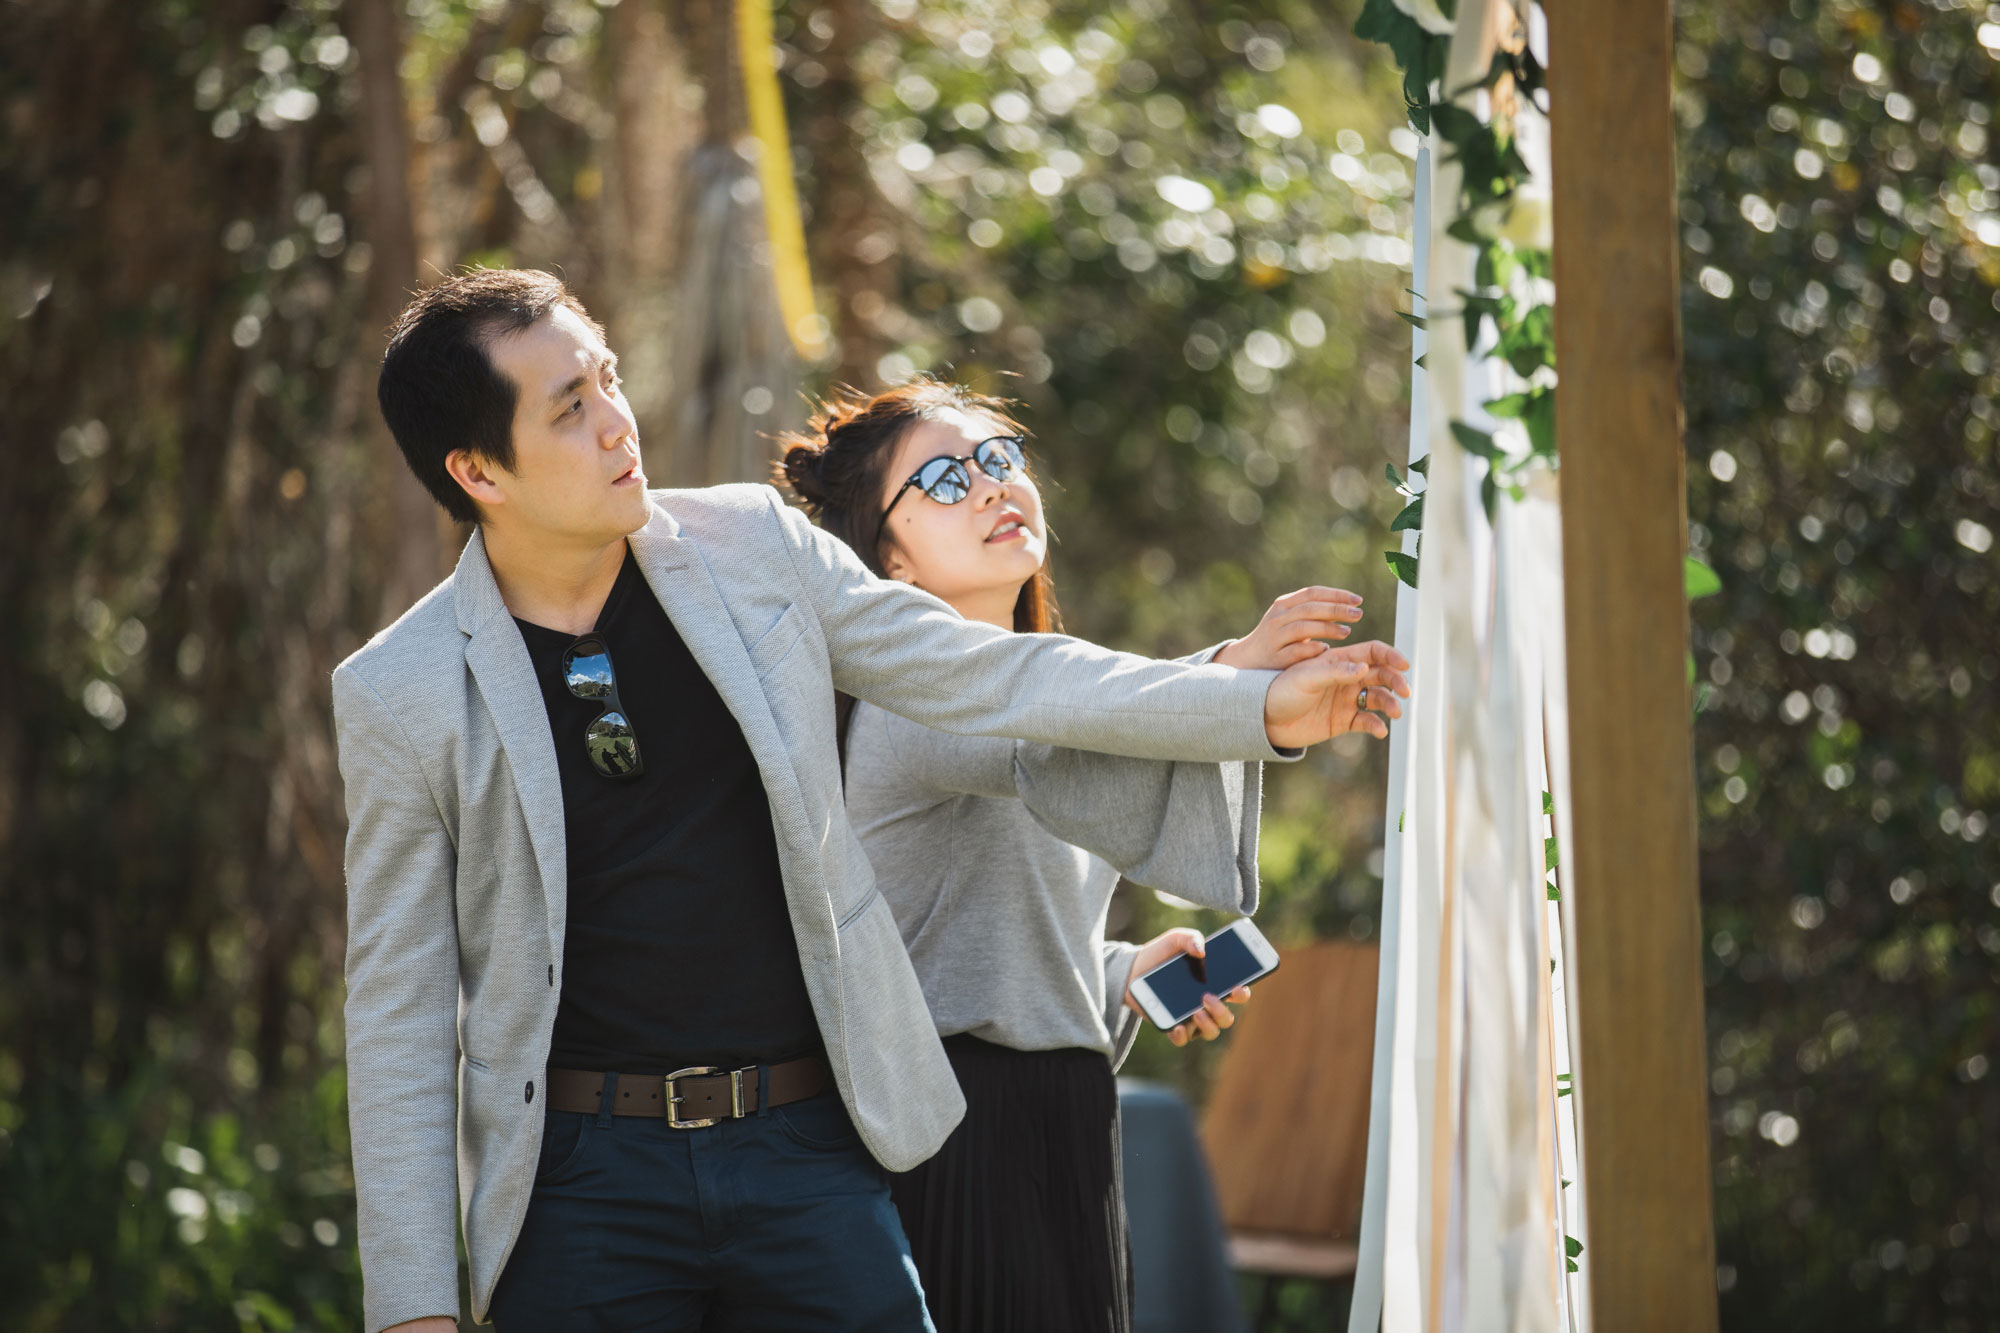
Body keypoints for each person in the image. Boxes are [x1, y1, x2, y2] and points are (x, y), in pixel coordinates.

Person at [335, 267, 1410, 1333]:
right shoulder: (400, 690)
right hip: (581, 1178)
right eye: (571, 409)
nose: (618, 423)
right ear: (478, 469)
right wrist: (412, 1308)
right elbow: (400, 1007)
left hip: (806, 1147)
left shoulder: (752, 548)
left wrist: (1252, 706)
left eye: (608, 379)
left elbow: (1001, 675)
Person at [778, 381, 1381, 1333]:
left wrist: (1119, 970)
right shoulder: (913, 701)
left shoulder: (1058, 692)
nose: (988, 485)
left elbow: (998, 918)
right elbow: (1069, 745)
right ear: (887, 554)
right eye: (941, 478)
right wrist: (1239, 679)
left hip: (1060, 1113)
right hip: (950, 1128)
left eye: (999, 457)